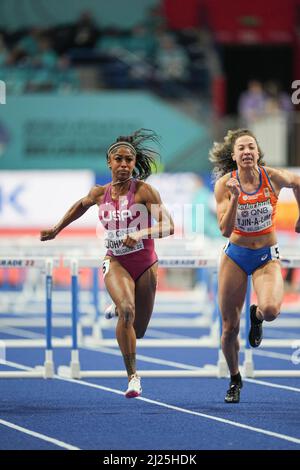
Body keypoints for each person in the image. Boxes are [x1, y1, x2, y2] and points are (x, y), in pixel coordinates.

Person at [40, 129, 174, 398]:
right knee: (127, 311)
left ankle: (121, 302)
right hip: (116, 263)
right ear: (109, 163)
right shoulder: (100, 193)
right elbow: (80, 205)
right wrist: (56, 229)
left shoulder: (145, 192)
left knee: (139, 330)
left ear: (134, 164)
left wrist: (139, 233)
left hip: (146, 264)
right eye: (119, 159)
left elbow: (168, 226)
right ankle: (133, 376)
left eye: (129, 160)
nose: (124, 165)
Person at [210, 128, 300, 403]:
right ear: (234, 156)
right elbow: (225, 230)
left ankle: (257, 316)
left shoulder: (272, 177)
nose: (247, 151)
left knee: (272, 310)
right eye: (242, 148)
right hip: (235, 255)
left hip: (266, 257)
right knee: (229, 329)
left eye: (251, 147)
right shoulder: (225, 184)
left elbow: (297, 182)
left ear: (257, 153)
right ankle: (235, 378)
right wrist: (236, 197)